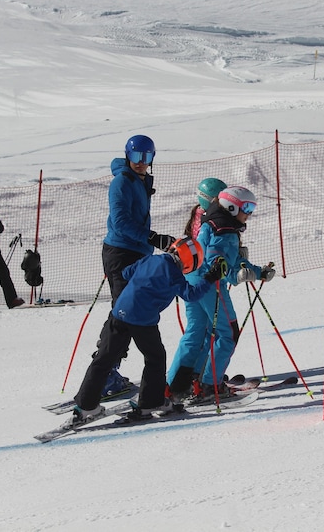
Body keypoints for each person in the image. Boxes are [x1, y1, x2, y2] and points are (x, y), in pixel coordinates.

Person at [67, 236, 226, 426]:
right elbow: (191, 295)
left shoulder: (153, 259)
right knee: (155, 358)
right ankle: (149, 403)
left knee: (104, 359)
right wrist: (210, 277)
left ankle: (86, 406)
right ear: (189, 261)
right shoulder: (174, 274)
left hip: (119, 312)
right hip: (142, 319)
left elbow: (126, 273)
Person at [166, 185, 275, 403]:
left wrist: (257, 272)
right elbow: (218, 258)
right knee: (228, 334)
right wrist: (236, 274)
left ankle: (178, 384)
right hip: (210, 285)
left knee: (196, 331)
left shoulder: (213, 221)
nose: (250, 213)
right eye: (247, 207)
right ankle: (209, 385)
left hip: (193, 280)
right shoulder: (225, 230)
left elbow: (229, 259)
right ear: (231, 207)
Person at [99, 134, 176, 396]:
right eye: (136, 157)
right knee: (124, 312)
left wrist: (151, 240)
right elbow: (120, 222)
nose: (141, 163)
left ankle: (110, 369)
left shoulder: (139, 180)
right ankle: (105, 372)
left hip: (136, 252)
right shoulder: (121, 182)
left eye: (146, 158)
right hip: (121, 252)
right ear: (127, 156)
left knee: (131, 310)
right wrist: (153, 237)